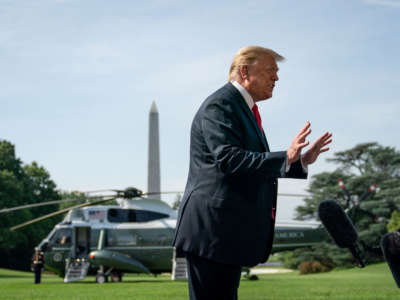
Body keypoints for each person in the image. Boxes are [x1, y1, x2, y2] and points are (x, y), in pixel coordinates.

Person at [173, 46, 332, 300]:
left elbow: (248, 165)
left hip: (225, 234)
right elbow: (229, 159)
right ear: (245, 71)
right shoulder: (220, 105)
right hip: (212, 233)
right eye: (271, 70)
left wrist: (298, 161)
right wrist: (285, 156)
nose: (276, 78)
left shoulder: (240, 108)